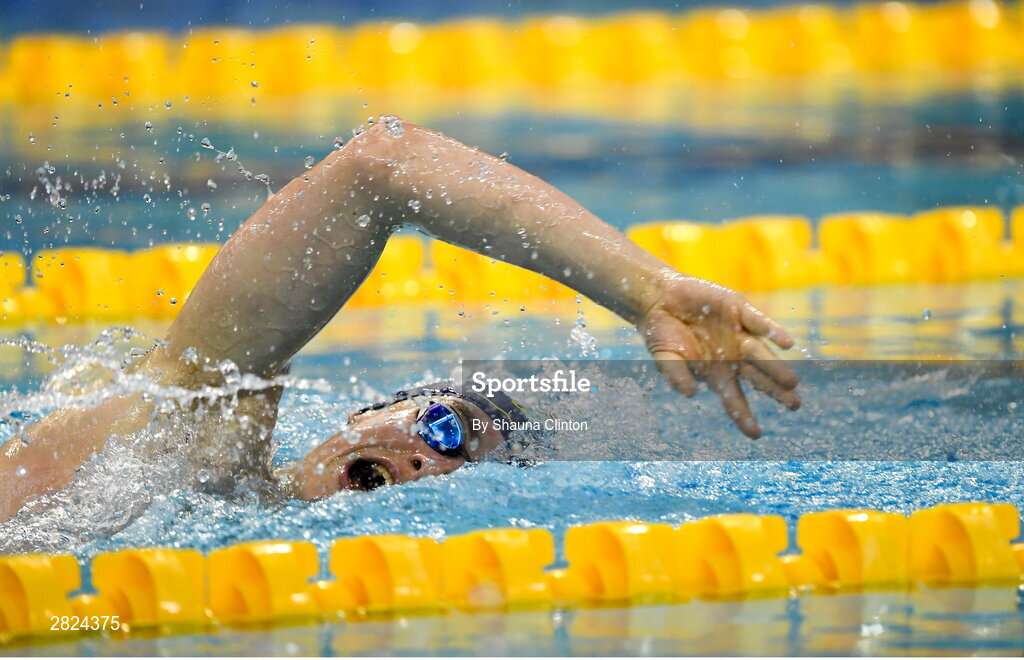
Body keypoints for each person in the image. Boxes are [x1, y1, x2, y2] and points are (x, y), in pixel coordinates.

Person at [0, 117, 800, 521]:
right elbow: (381, 165)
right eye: (445, 430)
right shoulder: (191, 426)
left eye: (457, 473)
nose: (430, 465)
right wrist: (645, 290)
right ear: (371, 410)